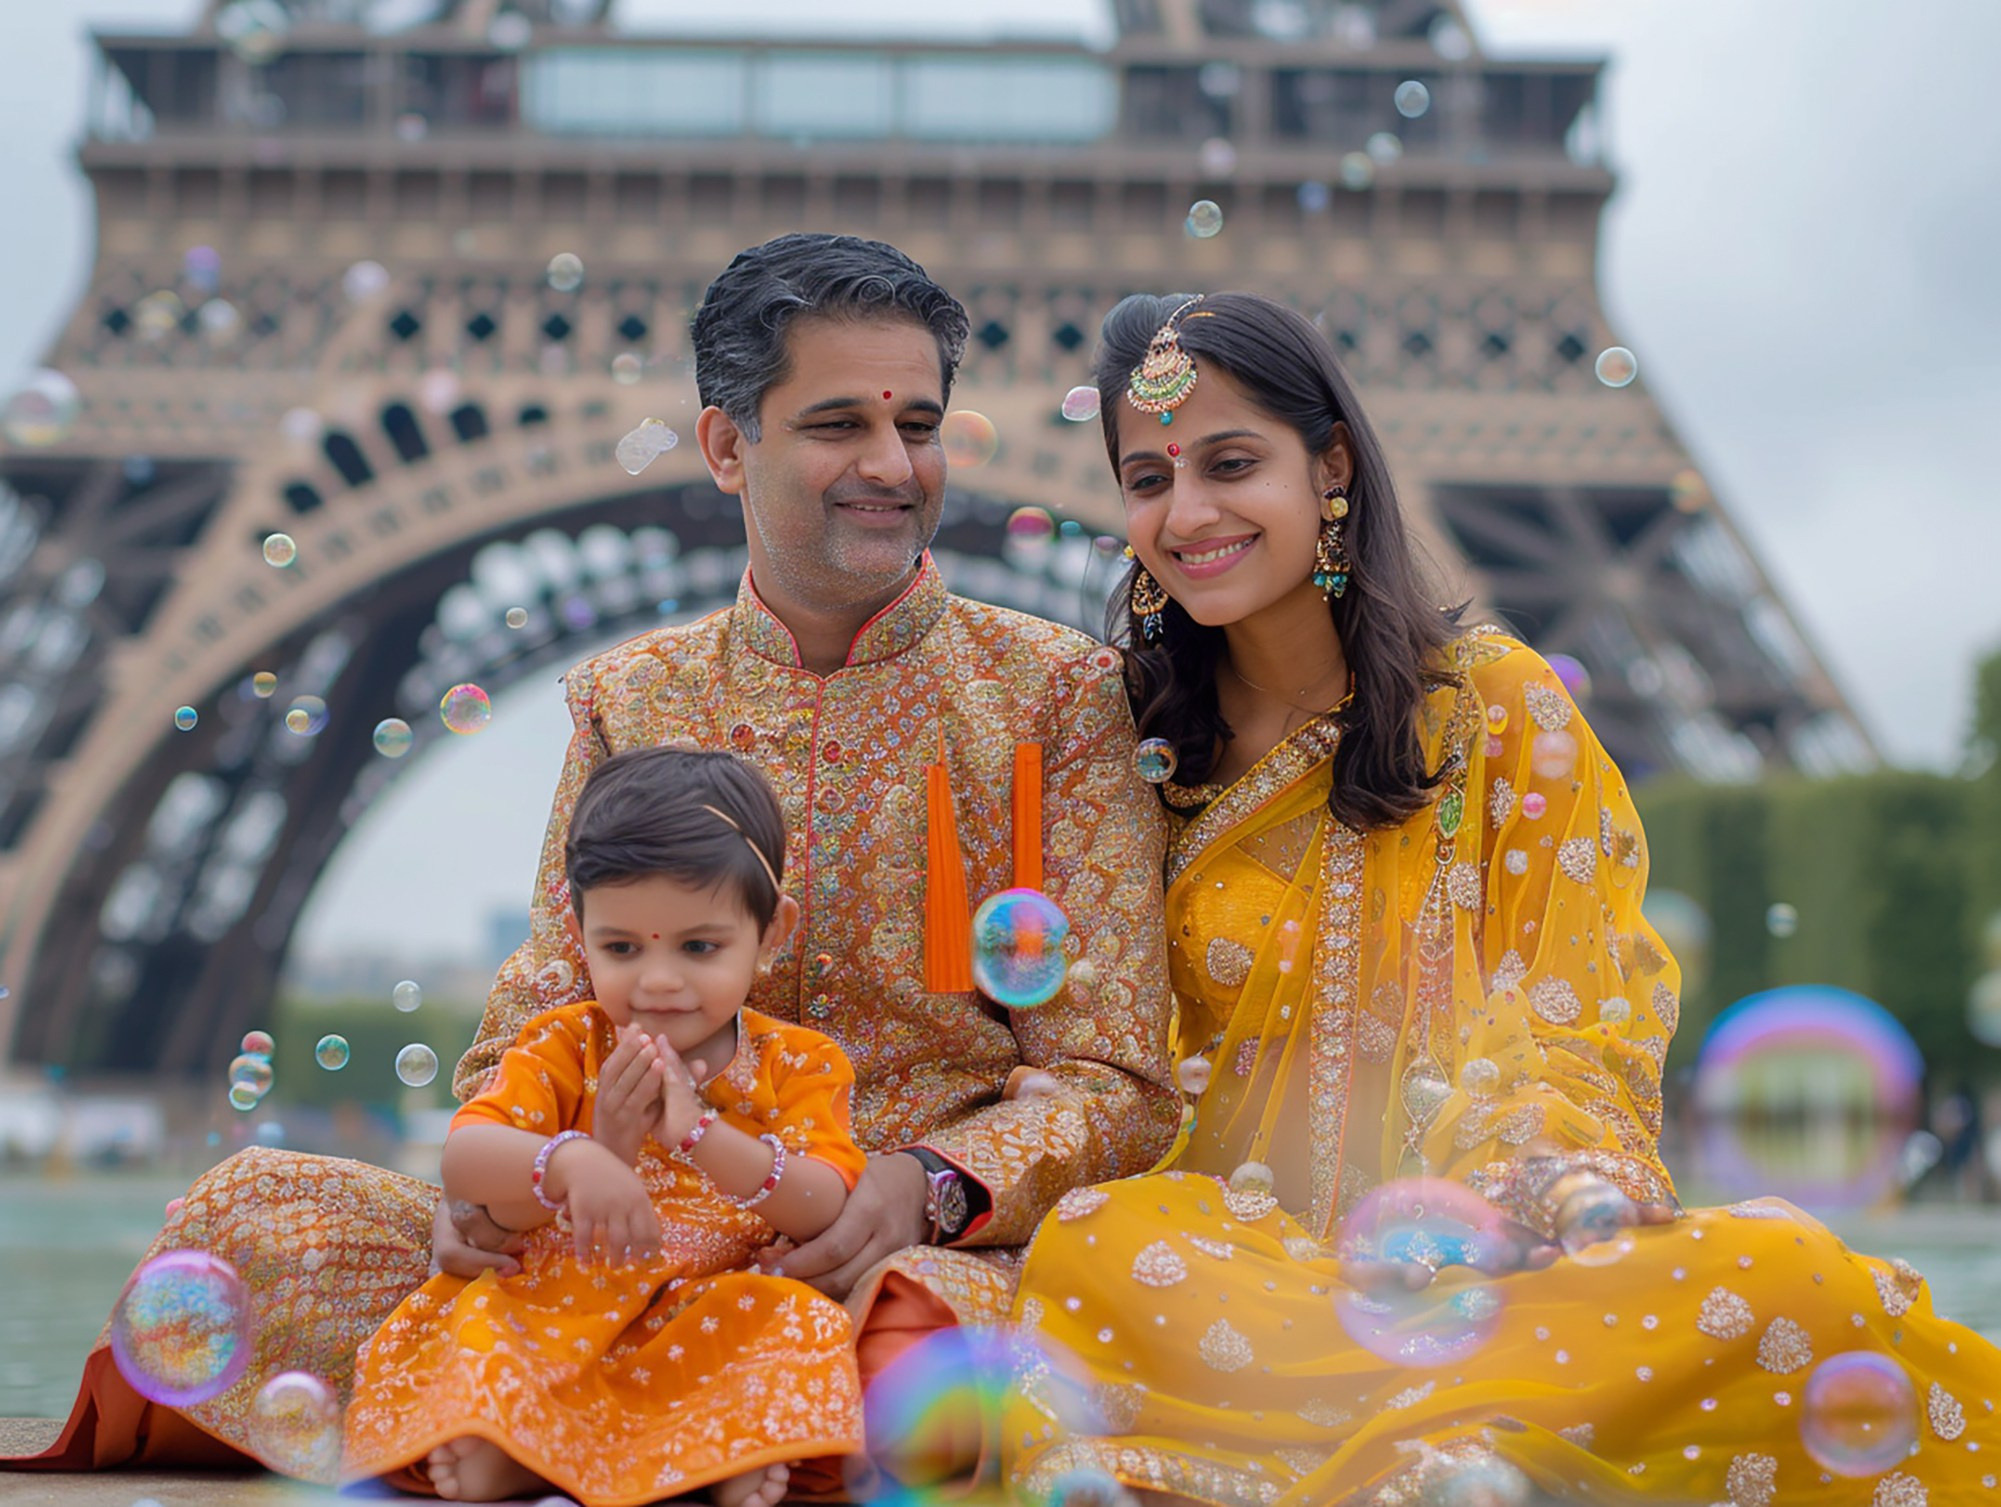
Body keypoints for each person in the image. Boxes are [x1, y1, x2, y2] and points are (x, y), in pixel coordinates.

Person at [9, 234, 1177, 1487]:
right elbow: (541, 1016)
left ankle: (530, 1421)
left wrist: (928, 1187)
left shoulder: (1061, 697)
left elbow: (1116, 1076)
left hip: (872, 1252)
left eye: (921, 425)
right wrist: (498, 1188)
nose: (892, 466)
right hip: (606, 1228)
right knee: (253, 1225)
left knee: (923, 1344)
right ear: (728, 445)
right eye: (838, 424)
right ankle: (672, 1431)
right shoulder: (631, 696)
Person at [1003, 291, 2001, 1506]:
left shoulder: (1492, 706)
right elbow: (1105, 1049)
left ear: (1331, 468)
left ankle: (1365, 1441)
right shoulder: (1124, 746)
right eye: (1147, 477)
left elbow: (1571, 1012)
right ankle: (1460, 1441)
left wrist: (1520, 1186)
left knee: (1791, 1273)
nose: (1188, 510)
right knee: (1108, 1246)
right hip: (1232, 1257)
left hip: (1488, 1241)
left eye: (1230, 462)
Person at [343, 746, 864, 1507]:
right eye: (621, 948)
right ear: (579, 932)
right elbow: (466, 1159)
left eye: (698, 946)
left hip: (705, 1305)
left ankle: (626, 1445)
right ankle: (556, 1452)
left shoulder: (799, 1062)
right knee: (489, 1316)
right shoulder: (563, 1043)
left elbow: (821, 1202)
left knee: (789, 1316)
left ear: (772, 929)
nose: (657, 979)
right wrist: (578, 1157)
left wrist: (699, 1135)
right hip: (560, 1296)